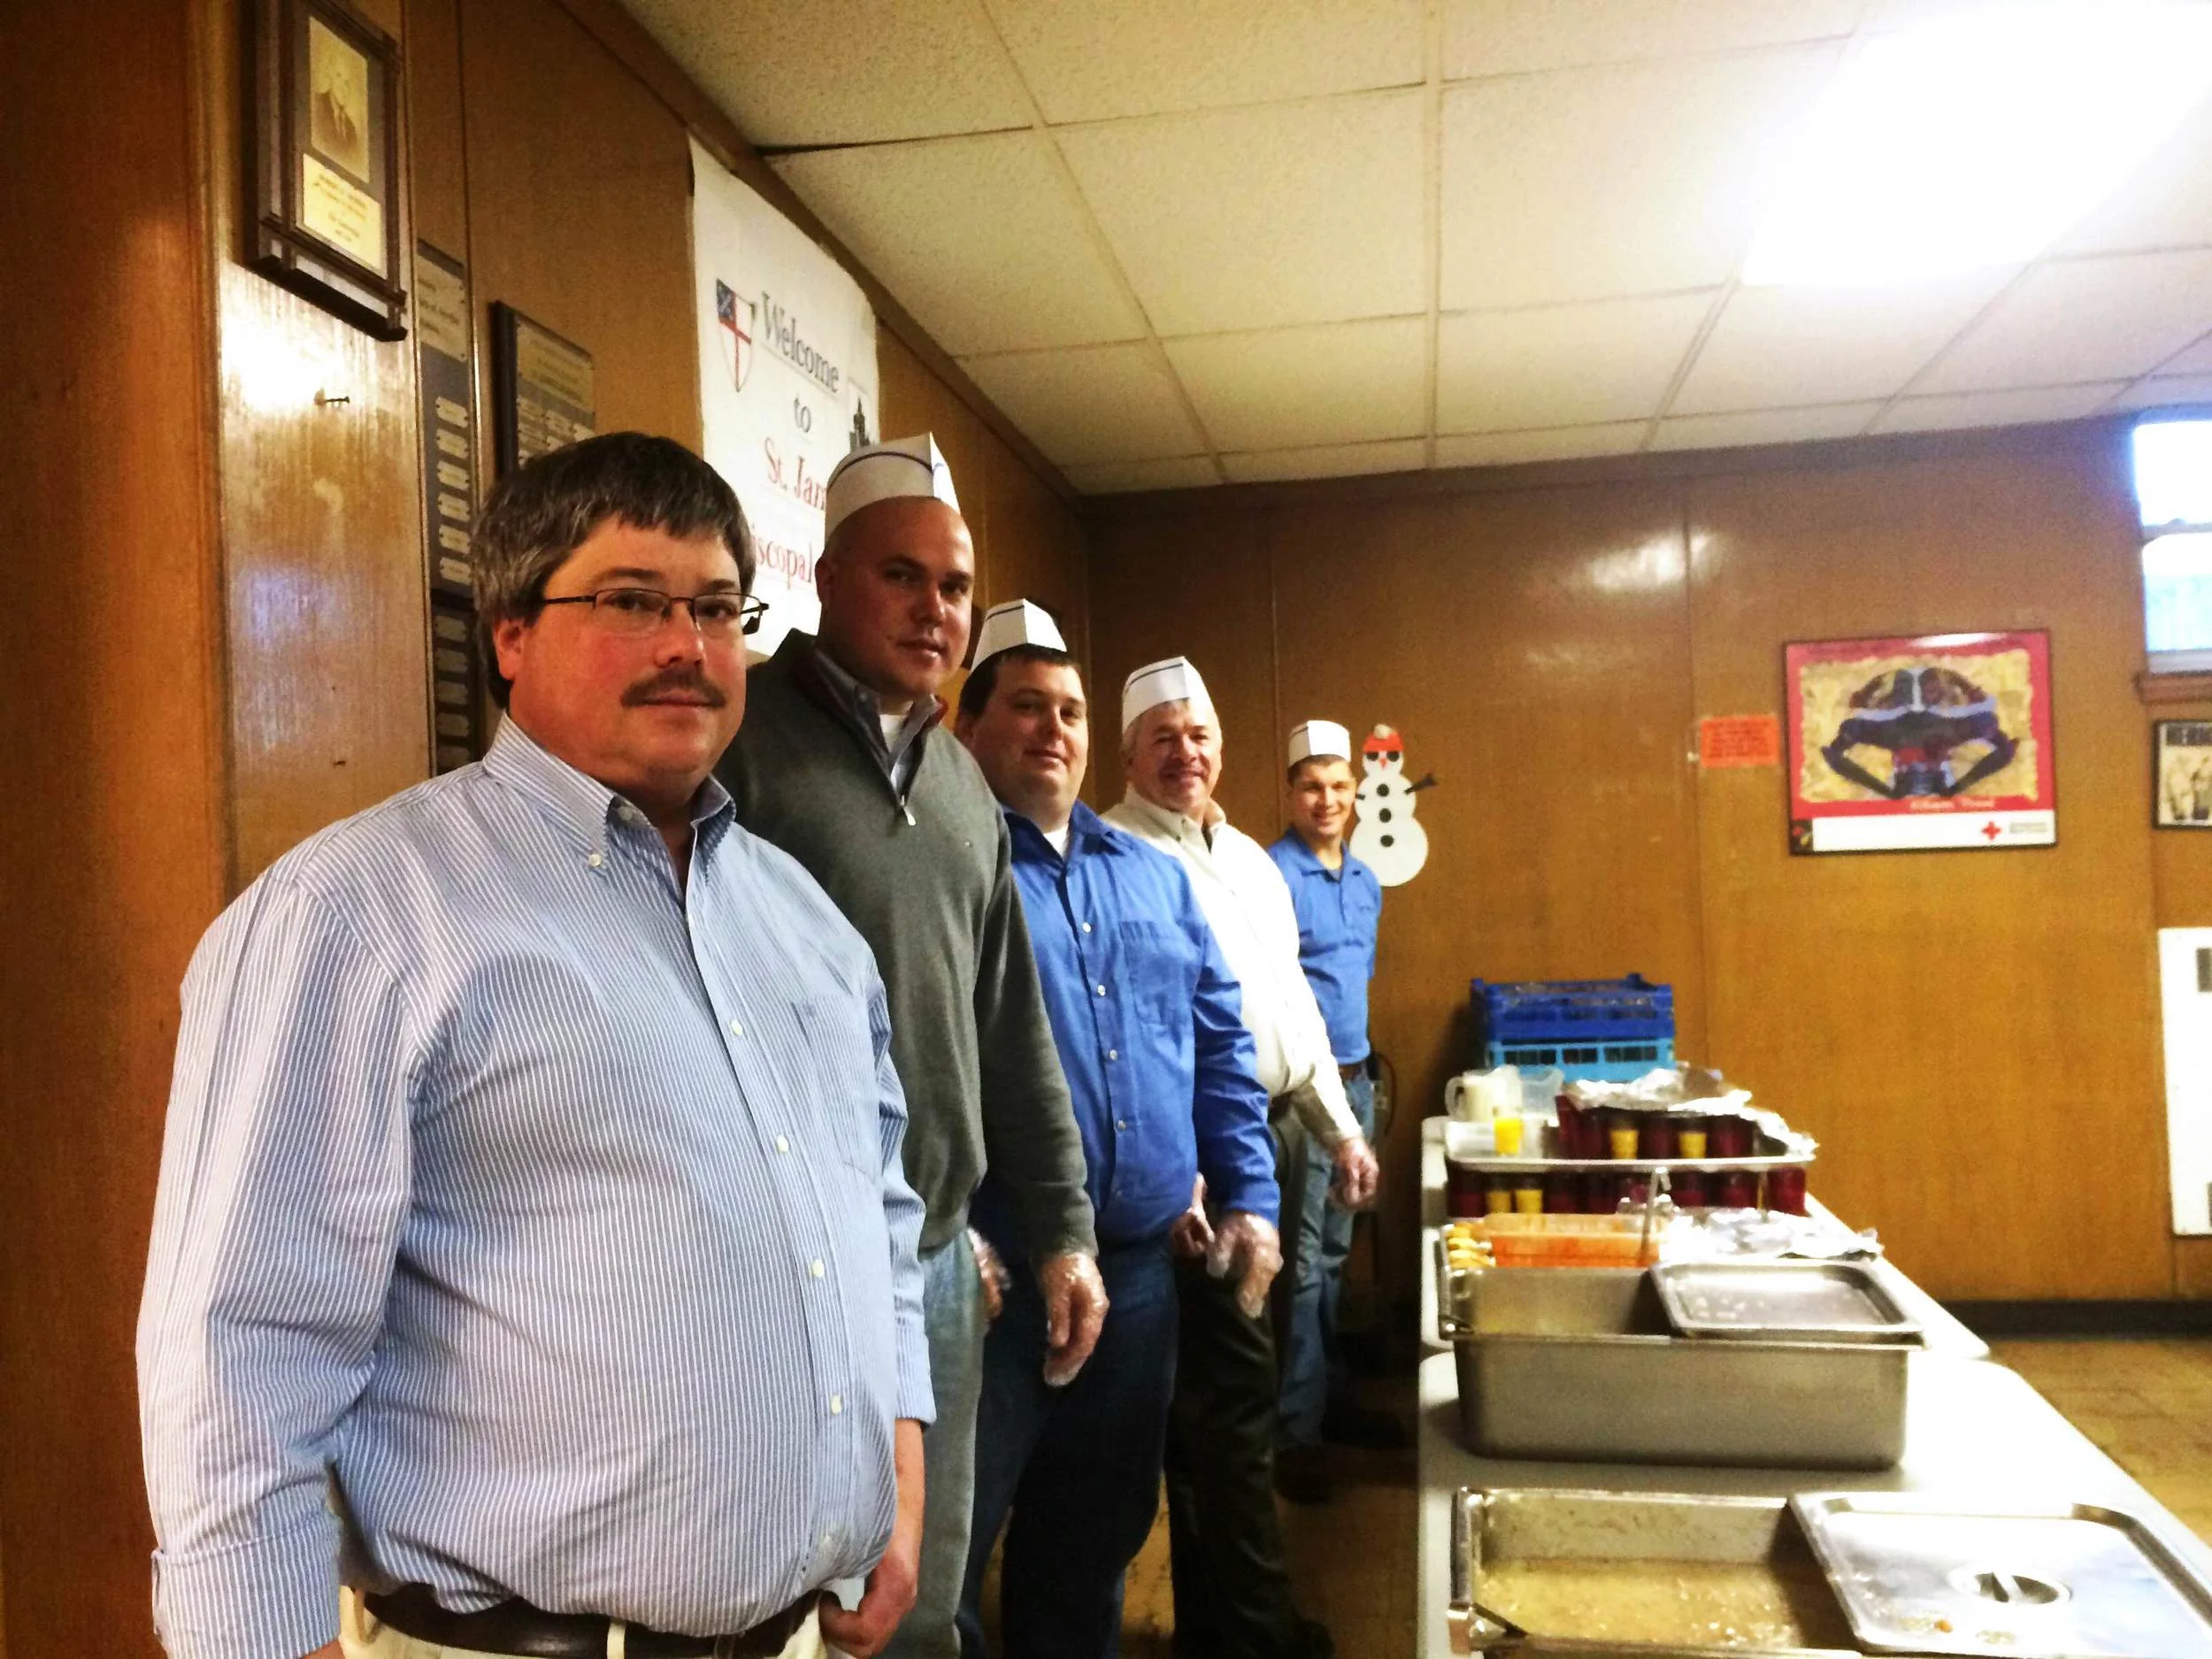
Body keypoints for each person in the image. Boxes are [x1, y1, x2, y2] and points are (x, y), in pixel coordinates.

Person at [137, 432, 931, 1659]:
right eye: (630, 600)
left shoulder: (805, 922)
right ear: (511, 633)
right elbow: (240, 1337)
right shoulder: (356, 913)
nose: (686, 643)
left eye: (717, 606)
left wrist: (898, 1478)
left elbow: (878, 1211)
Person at [715, 439, 1106, 1659]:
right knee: (790, 1603)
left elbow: (1011, 1032)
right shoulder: (739, 745)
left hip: (931, 1265)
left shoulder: (956, 782)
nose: (935, 610)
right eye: (903, 575)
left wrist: (1064, 1232)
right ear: (827, 576)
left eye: (954, 587)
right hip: (777, 1264)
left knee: (925, 1599)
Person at [949, 602, 1281, 1659]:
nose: (1053, 729)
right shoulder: (952, 873)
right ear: (967, 727)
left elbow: (1221, 1047)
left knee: (1092, 1542)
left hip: (1137, 1283)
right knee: (945, 1555)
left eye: (1072, 710)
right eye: (1026, 706)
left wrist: (1251, 1197)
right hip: (995, 1279)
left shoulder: (1151, 876)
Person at [1104, 659, 1381, 1659]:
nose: (1186, 753)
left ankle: (1223, 1624)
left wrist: (1341, 1127)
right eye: (1164, 737)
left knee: (1229, 1406)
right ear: (1129, 752)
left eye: (1201, 735)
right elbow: (1132, 1033)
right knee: (1223, 1406)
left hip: (1267, 1137)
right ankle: (1249, 1634)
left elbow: (1291, 1006)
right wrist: (1179, 1161)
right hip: (1190, 1165)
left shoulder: (1254, 863)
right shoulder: (1119, 853)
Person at [1268, 720, 1402, 1506]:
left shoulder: (1366, 880)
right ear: (1290, 792)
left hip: (1360, 1088)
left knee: (1338, 1254)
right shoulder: (1272, 875)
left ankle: (1331, 1400)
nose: (1327, 800)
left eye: (1340, 786)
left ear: (1358, 795)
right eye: (1312, 785)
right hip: (1303, 1101)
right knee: (1305, 1264)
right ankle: (1297, 1430)